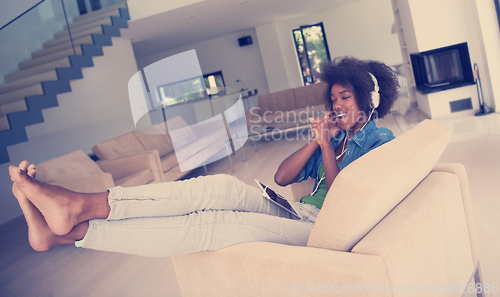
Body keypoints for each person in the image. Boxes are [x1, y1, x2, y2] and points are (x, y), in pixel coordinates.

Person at [9, 57, 399, 257]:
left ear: (369, 99)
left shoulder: (380, 141)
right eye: (333, 98)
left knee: (213, 226)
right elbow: (282, 178)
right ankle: (78, 207)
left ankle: (72, 231)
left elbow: (344, 195)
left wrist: (327, 146)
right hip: (295, 211)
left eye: (344, 98)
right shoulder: (335, 139)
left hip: (321, 229)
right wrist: (317, 142)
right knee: (218, 187)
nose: (336, 105)